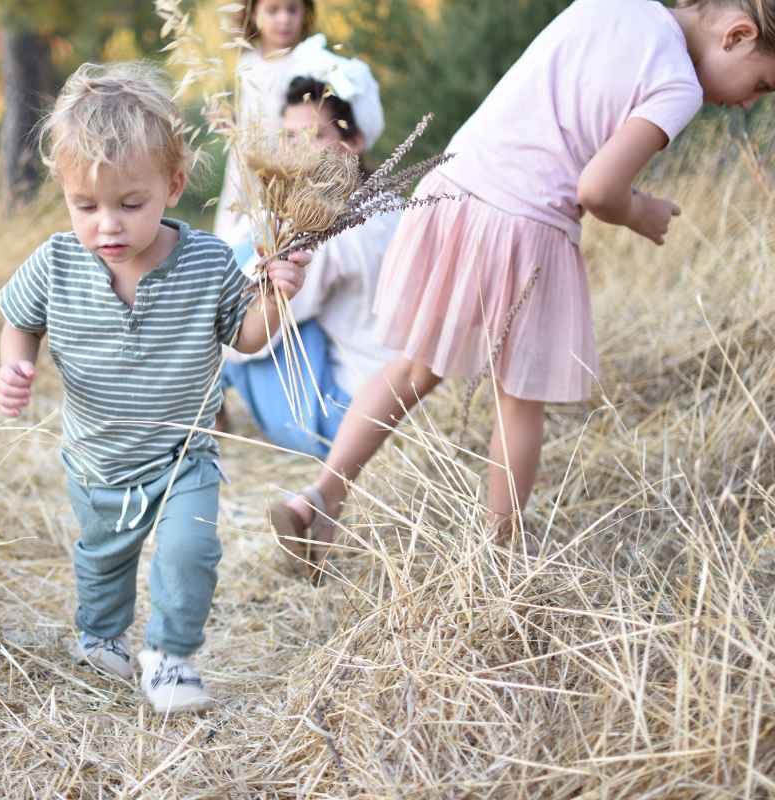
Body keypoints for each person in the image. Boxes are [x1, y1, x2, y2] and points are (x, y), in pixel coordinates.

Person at [267, 0, 775, 578]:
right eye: (762, 84)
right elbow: (599, 188)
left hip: (452, 192)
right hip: (523, 224)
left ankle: (320, 496)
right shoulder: (679, 86)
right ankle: (500, 559)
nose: (750, 101)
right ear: (737, 34)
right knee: (519, 402)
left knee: (413, 366)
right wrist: (641, 212)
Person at [0, 62, 307, 713]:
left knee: (191, 548)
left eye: (129, 205)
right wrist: (15, 366)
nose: (107, 224)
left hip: (184, 451)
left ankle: (170, 656)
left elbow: (246, 338)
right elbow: (19, 321)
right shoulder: (55, 262)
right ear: (65, 194)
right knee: (104, 556)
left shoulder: (206, 262)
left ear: (173, 185)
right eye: (86, 206)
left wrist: (276, 299)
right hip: (98, 455)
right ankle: (102, 635)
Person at [220, 42, 398, 458]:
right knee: (255, 265)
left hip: (345, 421)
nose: (298, 152)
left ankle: (201, 408)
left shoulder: (333, 228)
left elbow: (249, 332)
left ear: (352, 141)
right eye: (290, 138)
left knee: (237, 305)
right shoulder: (387, 201)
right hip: (398, 402)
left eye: (315, 136)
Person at [214, 0, 318, 245]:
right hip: (246, 163)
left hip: (286, 165)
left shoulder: (309, 62)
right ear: (253, 14)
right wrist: (230, 123)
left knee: (277, 232)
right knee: (237, 227)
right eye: (273, 10)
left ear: (305, 12)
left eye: (292, 10)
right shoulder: (247, 62)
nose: (284, 19)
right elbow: (252, 116)